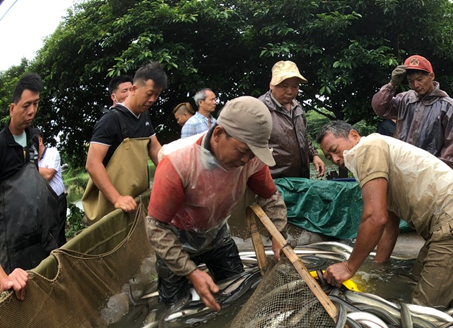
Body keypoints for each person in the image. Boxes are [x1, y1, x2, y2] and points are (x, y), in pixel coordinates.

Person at [317, 121, 453, 308]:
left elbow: (375, 218)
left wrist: (349, 266)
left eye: (335, 149)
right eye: (329, 156)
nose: (336, 159)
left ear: (354, 135)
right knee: (412, 281)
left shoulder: (367, 149)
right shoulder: (378, 152)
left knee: (422, 312)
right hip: (450, 226)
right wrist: (379, 269)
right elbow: (389, 226)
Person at [147, 97, 287, 311]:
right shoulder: (177, 162)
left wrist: (278, 236)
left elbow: (270, 198)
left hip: (217, 234)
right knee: (172, 309)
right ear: (219, 133)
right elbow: (156, 227)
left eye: (252, 153)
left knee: (240, 295)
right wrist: (191, 271)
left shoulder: (252, 159)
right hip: (177, 238)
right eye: (242, 151)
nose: (246, 160)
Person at [84, 62, 167, 223]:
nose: (152, 100)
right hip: (111, 209)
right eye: (149, 93)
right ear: (134, 89)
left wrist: (175, 175)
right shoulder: (110, 120)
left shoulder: (144, 116)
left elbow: (156, 148)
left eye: (156, 95)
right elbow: (92, 164)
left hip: (136, 202)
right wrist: (117, 199)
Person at [0, 73, 57, 272]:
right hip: (11, 242)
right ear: (12, 108)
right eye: (26, 105)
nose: (32, 111)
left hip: (38, 234)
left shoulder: (33, 138)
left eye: (36, 104)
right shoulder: (2, 145)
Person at [372, 55, 453, 169]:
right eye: (411, 81)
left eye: (420, 79)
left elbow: (452, 147)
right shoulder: (404, 99)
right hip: (400, 167)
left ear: (431, 76)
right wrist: (391, 85)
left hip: (428, 172)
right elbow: (380, 109)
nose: (415, 85)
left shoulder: (448, 106)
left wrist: (437, 173)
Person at [259, 61, 325, 179]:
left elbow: (303, 137)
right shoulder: (259, 109)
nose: (290, 91)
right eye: (284, 86)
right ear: (272, 85)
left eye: (295, 86)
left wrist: (314, 155)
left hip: (301, 180)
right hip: (274, 181)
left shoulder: (297, 107)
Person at [38, 131, 67, 246]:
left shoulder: (52, 152)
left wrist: (33, 167)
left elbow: (48, 175)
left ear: (40, 140)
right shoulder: (33, 160)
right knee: (46, 238)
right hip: (44, 205)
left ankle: (64, 262)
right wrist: (41, 169)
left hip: (57, 201)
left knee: (57, 236)